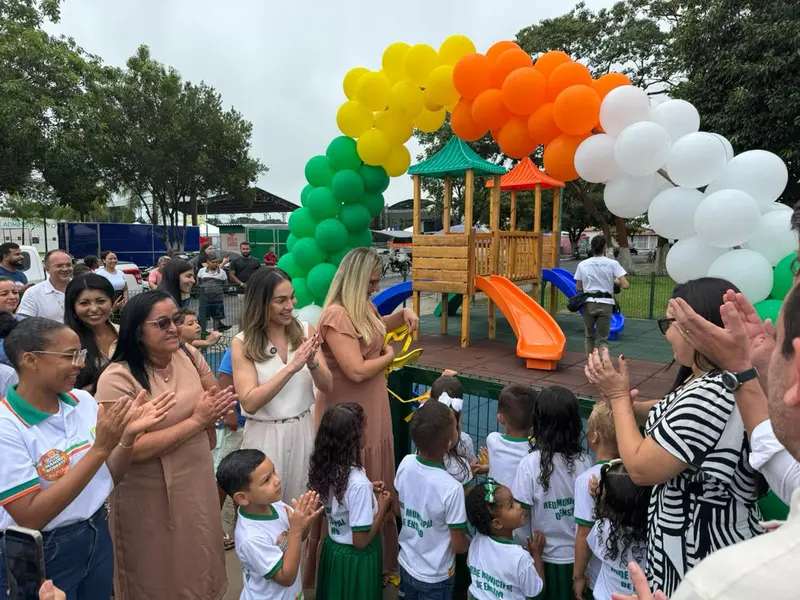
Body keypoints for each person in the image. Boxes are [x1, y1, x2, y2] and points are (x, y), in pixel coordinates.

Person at [608, 278, 800, 600]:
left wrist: (616, 397)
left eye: (776, 339)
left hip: (697, 544)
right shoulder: (716, 383)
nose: (667, 333)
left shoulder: (713, 392)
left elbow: (641, 468)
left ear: (694, 329)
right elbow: (779, 461)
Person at [0, 317, 176, 599]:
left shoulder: (81, 401)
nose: (81, 364)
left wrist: (127, 439)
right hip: (44, 550)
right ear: (31, 360)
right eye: (70, 356)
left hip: (95, 532)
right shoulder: (7, 426)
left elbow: (109, 479)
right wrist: (100, 449)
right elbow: (31, 516)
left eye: (80, 354)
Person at [94, 291, 237, 600]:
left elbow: (214, 397)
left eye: (175, 319)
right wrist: (197, 421)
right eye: (162, 323)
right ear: (137, 331)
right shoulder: (117, 378)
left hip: (196, 476)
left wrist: (209, 417)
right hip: (147, 493)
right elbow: (129, 448)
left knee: (200, 555)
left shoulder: (187, 355)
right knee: (157, 570)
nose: (174, 328)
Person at [312, 247, 419, 579]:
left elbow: (374, 328)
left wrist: (403, 315)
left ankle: (378, 561)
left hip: (372, 406)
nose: (376, 287)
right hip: (348, 410)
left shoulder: (362, 309)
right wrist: (391, 356)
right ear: (357, 279)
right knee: (354, 474)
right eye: (372, 281)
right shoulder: (336, 315)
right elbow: (356, 370)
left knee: (372, 471)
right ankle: (349, 560)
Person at [232, 267, 332, 505]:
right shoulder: (242, 343)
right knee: (266, 510)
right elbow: (249, 402)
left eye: (292, 297)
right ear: (261, 303)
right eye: (281, 300)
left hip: (303, 429)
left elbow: (328, 386)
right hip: (265, 435)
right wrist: (291, 368)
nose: (290, 305)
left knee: (302, 506)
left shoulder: (306, 330)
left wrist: (313, 362)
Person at [512, 386, 592, 600]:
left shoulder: (529, 464)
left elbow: (521, 517)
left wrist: (525, 549)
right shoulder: (584, 462)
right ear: (574, 423)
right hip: (578, 560)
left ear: (538, 421)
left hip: (541, 559)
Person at [308, 403, 392, 600]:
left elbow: (341, 500)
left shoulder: (327, 467)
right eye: (364, 426)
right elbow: (360, 541)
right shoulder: (358, 484)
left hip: (334, 548)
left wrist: (368, 488)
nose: (367, 430)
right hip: (357, 560)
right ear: (354, 437)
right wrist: (382, 507)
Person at [216, 449, 323, 600]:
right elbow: (286, 577)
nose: (277, 480)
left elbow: (296, 540)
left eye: (274, 471)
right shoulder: (251, 538)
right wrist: (297, 529)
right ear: (242, 498)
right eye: (266, 480)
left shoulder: (276, 505)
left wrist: (306, 521)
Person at [394, 400, 470, 600]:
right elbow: (459, 546)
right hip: (437, 577)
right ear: (447, 443)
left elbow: (396, 508)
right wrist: (474, 544)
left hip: (406, 564)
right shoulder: (452, 489)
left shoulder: (406, 463)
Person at [465, 481, 545, 600]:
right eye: (511, 505)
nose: (518, 506)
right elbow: (536, 593)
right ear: (497, 523)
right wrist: (537, 556)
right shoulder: (520, 558)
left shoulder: (476, 541)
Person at [573, 403, 620, 600]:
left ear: (595, 436)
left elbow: (584, 532)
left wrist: (578, 575)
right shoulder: (637, 475)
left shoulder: (587, 479)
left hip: (599, 577)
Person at [588, 461, 650, 600]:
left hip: (605, 596)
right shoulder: (652, 535)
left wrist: (597, 501)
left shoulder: (602, 527)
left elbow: (595, 546)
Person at [575, 235, 629, 356]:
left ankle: (591, 363)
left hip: (589, 303)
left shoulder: (582, 264)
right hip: (606, 303)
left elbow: (578, 287)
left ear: (592, 247)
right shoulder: (612, 263)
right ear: (604, 247)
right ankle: (603, 365)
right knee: (603, 339)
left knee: (589, 336)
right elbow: (625, 285)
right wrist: (614, 282)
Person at [64, 275, 119, 394]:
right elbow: (64, 393)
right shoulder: (64, 343)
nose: (94, 309)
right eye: (84, 303)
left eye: (101, 301)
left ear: (112, 302)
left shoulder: (125, 333)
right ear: (73, 307)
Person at [486, 384, 538, 488]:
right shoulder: (535, 450)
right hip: (519, 501)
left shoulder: (492, 440)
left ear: (500, 418)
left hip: (493, 500)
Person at [431, 375, 476, 487]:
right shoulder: (465, 441)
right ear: (459, 415)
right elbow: (472, 465)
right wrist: (472, 472)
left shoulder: (424, 437)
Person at [18, 249, 73, 322]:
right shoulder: (33, 293)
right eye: (59, 266)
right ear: (47, 269)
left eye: (68, 265)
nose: (65, 269)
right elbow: (24, 323)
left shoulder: (82, 287)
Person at [197, 253, 230, 331]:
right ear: (208, 262)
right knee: (203, 317)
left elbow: (226, 284)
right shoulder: (201, 271)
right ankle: (203, 333)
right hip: (204, 299)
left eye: (216, 262)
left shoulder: (222, 272)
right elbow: (198, 282)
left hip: (218, 299)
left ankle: (215, 332)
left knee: (217, 317)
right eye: (213, 262)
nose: (215, 264)